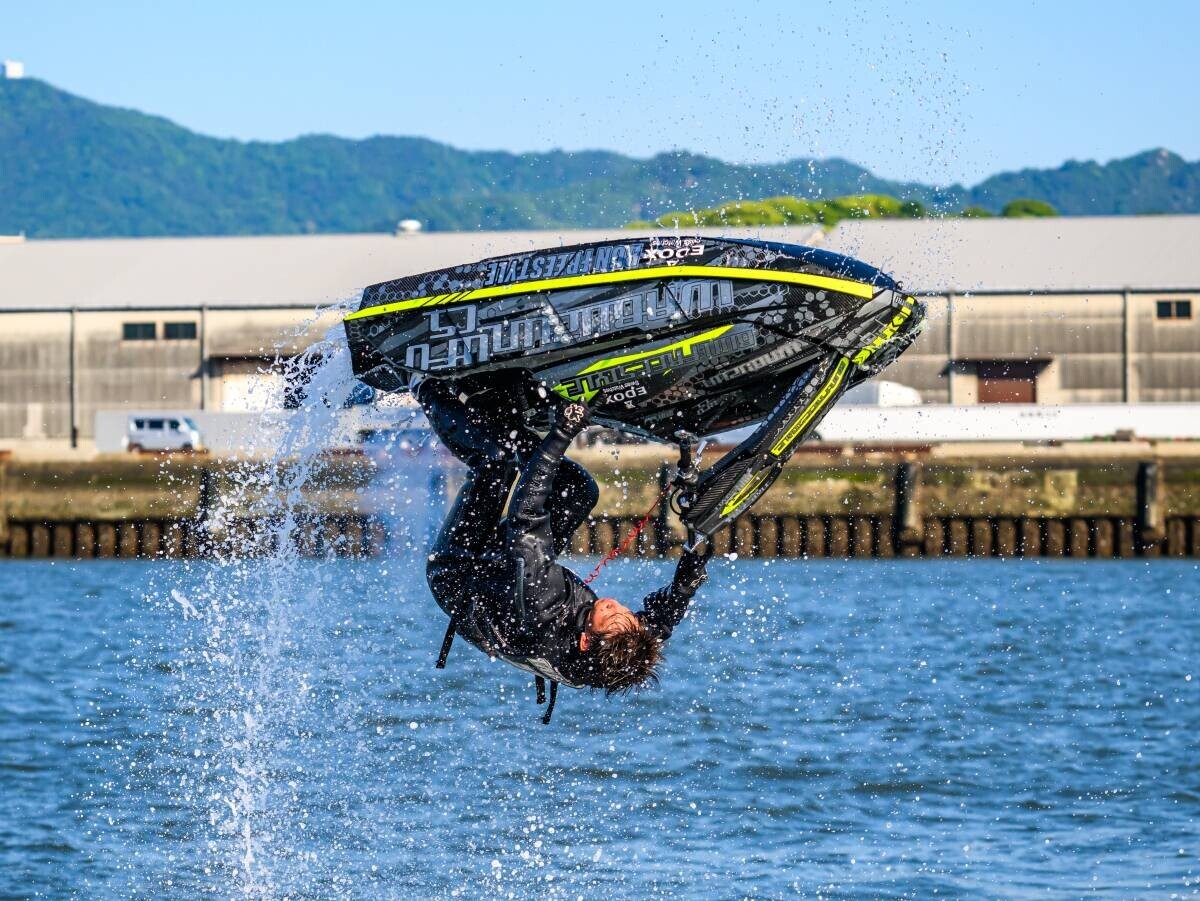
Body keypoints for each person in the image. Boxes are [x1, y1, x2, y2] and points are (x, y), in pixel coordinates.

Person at [415, 378, 712, 722]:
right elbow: (661, 622)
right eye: (629, 617)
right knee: (577, 490)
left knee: (494, 464)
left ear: (586, 641)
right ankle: (503, 416)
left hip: (461, 573)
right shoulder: (619, 647)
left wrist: (564, 431)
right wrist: (686, 583)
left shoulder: (548, 607)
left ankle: (425, 386)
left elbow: (526, 516)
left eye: (611, 617)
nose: (617, 607)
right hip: (507, 579)